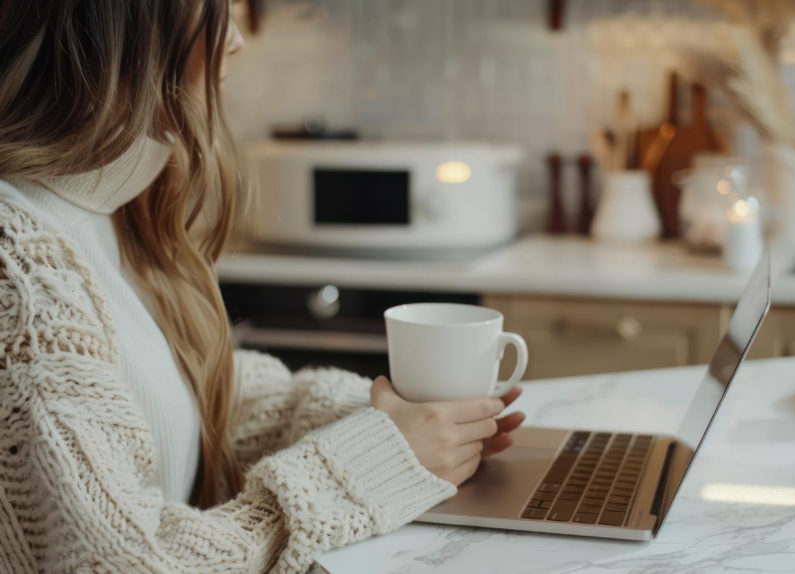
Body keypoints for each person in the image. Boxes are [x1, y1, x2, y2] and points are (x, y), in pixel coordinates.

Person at [0, 2, 525, 571]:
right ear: (125, 21)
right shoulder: (15, 261)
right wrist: (373, 464)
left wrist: (396, 422)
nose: (237, 41)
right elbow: (126, 563)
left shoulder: (110, 210)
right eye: (217, 10)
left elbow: (203, 405)